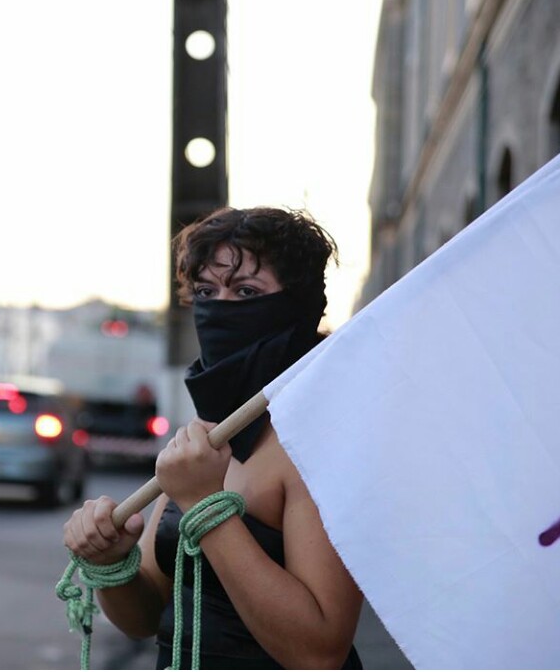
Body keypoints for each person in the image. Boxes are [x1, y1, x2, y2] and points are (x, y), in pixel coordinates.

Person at [63, 207, 364, 669]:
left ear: (297, 305)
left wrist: (205, 506)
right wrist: (111, 563)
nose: (221, 308)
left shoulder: (317, 441)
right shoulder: (206, 434)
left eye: (246, 291)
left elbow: (319, 653)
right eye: (206, 291)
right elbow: (146, 617)